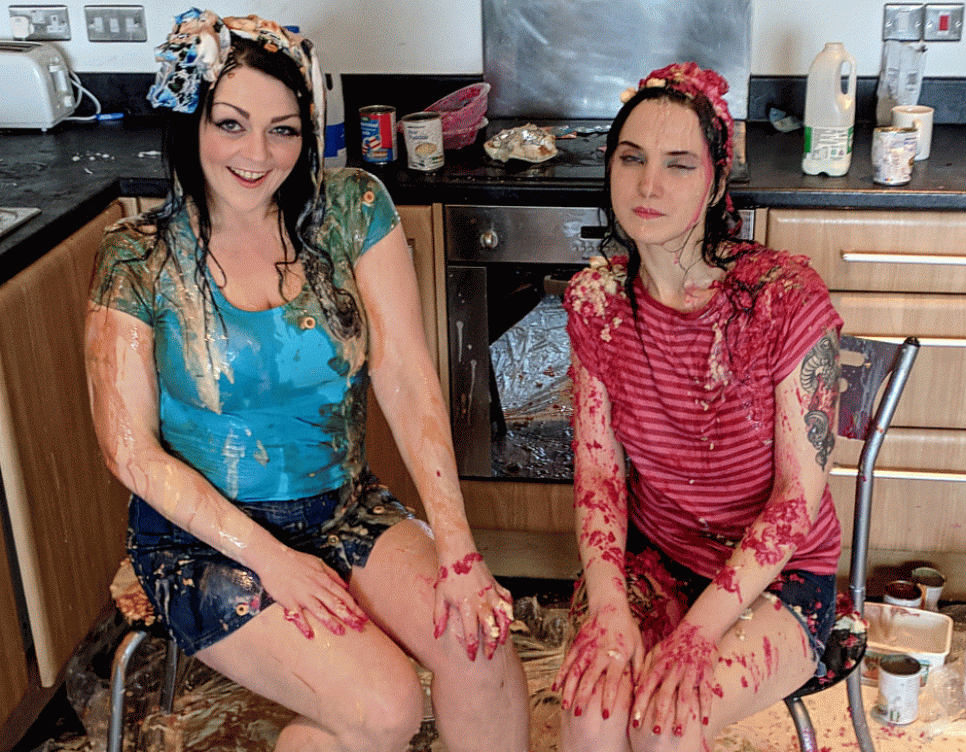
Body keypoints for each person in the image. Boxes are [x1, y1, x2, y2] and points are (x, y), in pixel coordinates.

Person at [85, 9, 529, 751]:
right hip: (204, 542)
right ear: (192, 124)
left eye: (283, 130)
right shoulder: (138, 258)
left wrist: (459, 550)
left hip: (342, 507)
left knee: (479, 643)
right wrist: (273, 562)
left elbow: (407, 375)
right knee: (385, 707)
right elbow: (128, 452)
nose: (258, 154)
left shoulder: (352, 211)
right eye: (231, 124)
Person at [552, 63, 844, 752]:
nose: (648, 185)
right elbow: (600, 477)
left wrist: (696, 634)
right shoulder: (597, 302)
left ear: (715, 183)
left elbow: (796, 499)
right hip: (655, 556)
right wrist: (610, 607)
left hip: (780, 578)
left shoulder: (782, 299)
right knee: (592, 714)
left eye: (678, 165)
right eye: (632, 159)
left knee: (665, 724)